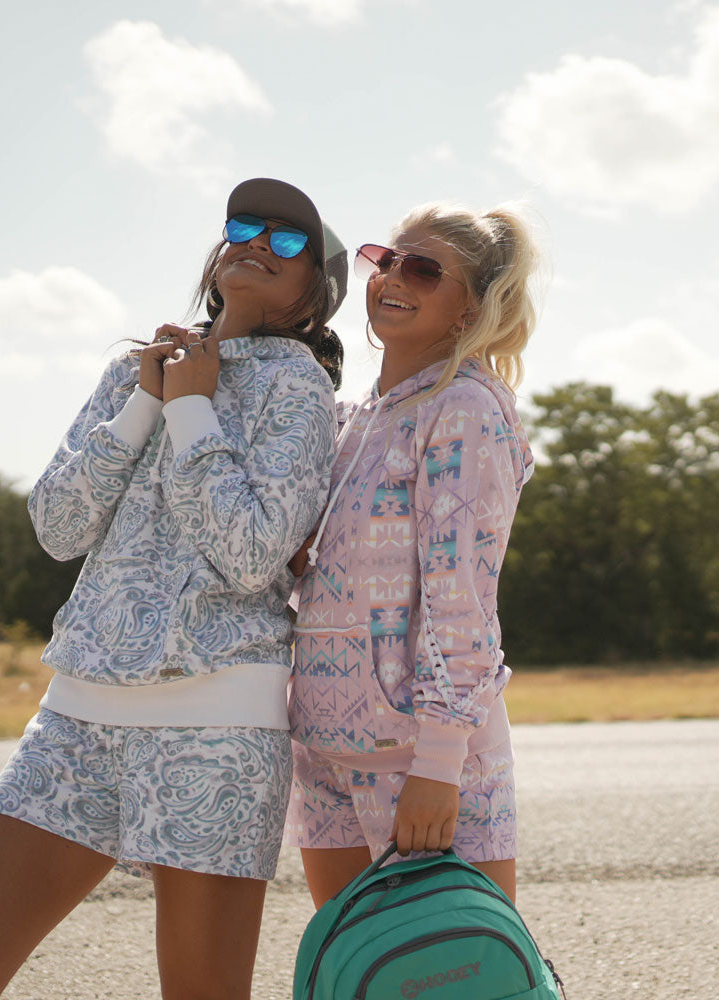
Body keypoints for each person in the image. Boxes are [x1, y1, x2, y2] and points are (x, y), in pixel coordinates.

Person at [0, 178, 347, 1000]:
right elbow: (57, 526)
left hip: (216, 725)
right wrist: (148, 403)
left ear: (311, 298)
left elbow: (253, 552)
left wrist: (195, 412)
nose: (259, 242)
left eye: (288, 240)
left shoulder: (300, 388)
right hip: (75, 718)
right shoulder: (135, 372)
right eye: (245, 226)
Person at [285, 200, 540, 909]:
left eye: (425, 270)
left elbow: (463, 600)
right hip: (324, 755)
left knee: (464, 977)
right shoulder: (355, 417)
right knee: (357, 975)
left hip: (422, 762)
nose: (393, 277)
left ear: (470, 309)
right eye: (386, 259)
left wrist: (438, 765)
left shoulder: (465, 408)